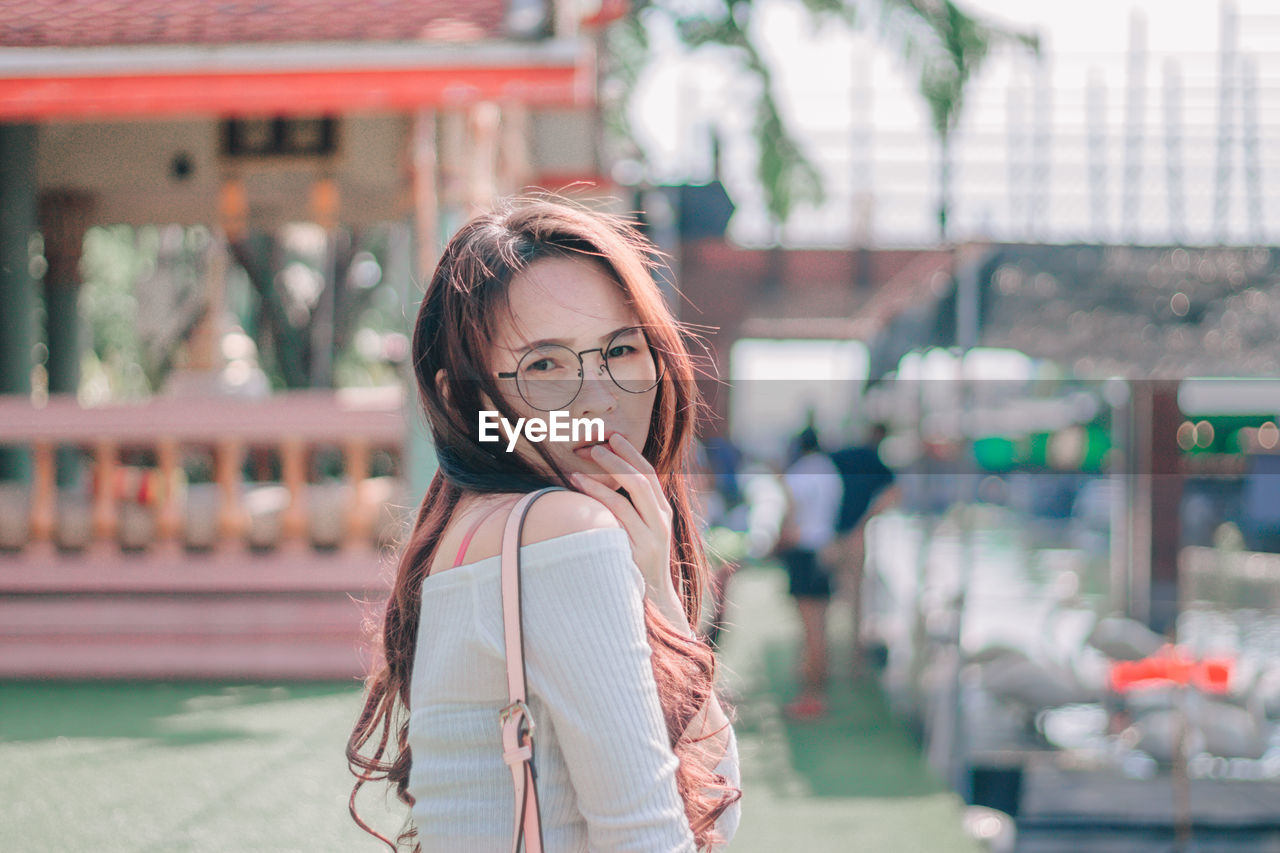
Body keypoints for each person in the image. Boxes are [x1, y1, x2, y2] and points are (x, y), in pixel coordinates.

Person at [347, 198, 741, 852]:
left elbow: (707, 807)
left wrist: (657, 589)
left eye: (619, 348)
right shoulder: (564, 531)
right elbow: (667, 833)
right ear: (461, 398)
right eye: (545, 365)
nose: (598, 394)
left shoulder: (468, 529)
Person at [777, 425, 844, 720]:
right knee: (821, 627)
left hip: (804, 550)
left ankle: (810, 697)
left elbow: (790, 514)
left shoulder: (799, 472)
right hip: (825, 549)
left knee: (809, 629)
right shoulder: (830, 470)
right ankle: (819, 693)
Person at [829, 423, 899, 668]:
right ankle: (854, 660)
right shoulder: (879, 465)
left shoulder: (843, 455)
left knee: (825, 598)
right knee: (855, 598)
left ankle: (830, 656)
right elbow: (893, 495)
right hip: (855, 536)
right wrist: (865, 521)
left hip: (831, 533)